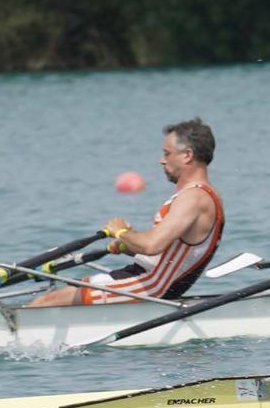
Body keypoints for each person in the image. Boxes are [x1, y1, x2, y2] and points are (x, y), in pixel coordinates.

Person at [30, 118, 223, 305]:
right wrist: (129, 243)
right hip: (145, 278)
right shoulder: (196, 195)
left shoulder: (194, 198)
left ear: (187, 155)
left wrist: (122, 232)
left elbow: (153, 245)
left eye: (167, 154)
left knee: (47, 301)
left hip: (151, 285)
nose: (161, 160)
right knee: (58, 295)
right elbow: (167, 252)